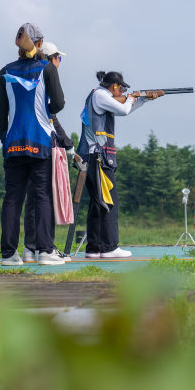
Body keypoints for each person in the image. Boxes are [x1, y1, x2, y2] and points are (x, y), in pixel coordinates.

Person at [0, 24, 69, 266]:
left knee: (12, 199)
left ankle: (8, 254)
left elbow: (1, 112)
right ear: (39, 43)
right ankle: (45, 251)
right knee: (42, 197)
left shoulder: (4, 71)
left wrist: (5, 140)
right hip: (40, 140)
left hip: (13, 143)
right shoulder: (47, 68)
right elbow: (58, 104)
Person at [76, 71, 163, 258]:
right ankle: (109, 247)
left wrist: (145, 99)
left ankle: (95, 247)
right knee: (109, 202)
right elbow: (123, 109)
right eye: (122, 88)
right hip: (98, 157)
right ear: (114, 86)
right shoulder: (100, 95)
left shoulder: (99, 96)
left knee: (98, 204)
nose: (123, 91)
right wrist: (132, 97)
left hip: (93, 157)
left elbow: (124, 109)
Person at [23, 41, 73, 262]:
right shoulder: (47, 75)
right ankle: (45, 248)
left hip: (23, 142)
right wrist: (67, 143)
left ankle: (31, 247)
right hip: (43, 145)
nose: (59, 63)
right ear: (51, 59)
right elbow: (52, 116)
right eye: (58, 59)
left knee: (33, 197)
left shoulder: (30, 75)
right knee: (44, 196)